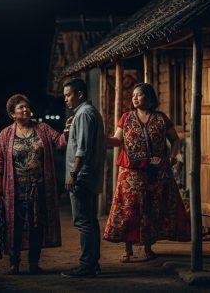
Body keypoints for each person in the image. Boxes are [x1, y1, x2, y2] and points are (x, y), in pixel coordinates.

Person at [103, 82, 190, 262]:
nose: (134, 98)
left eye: (139, 94)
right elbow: (116, 141)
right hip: (131, 173)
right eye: (133, 95)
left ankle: (148, 248)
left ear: (149, 97)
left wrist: (171, 158)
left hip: (155, 172)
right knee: (129, 209)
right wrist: (100, 137)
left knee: (152, 208)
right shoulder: (126, 118)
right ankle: (128, 250)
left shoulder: (161, 119)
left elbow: (174, 140)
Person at [0, 94, 67, 275]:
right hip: (14, 189)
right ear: (12, 114)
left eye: (27, 106)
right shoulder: (6, 134)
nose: (26, 110)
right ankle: (14, 262)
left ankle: (34, 263)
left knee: (37, 226)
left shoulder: (43, 128)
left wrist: (69, 131)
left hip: (39, 188)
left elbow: (60, 143)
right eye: (21, 108)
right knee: (14, 225)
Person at [60, 78, 106, 278]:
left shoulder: (85, 114)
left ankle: (87, 265)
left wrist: (73, 174)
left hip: (82, 177)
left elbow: (83, 149)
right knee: (90, 221)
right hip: (88, 176)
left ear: (79, 94)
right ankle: (92, 264)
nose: (66, 100)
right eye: (64, 96)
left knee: (83, 222)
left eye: (68, 95)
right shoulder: (84, 113)